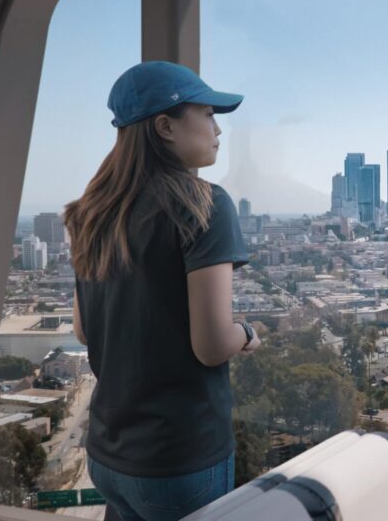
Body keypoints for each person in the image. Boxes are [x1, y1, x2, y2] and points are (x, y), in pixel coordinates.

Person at [64, 61, 260, 520]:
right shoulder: (205, 204)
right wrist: (247, 333)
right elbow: (212, 346)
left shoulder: (90, 213)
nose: (217, 130)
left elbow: (82, 331)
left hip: (109, 454)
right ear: (165, 126)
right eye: (208, 114)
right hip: (179, 457)